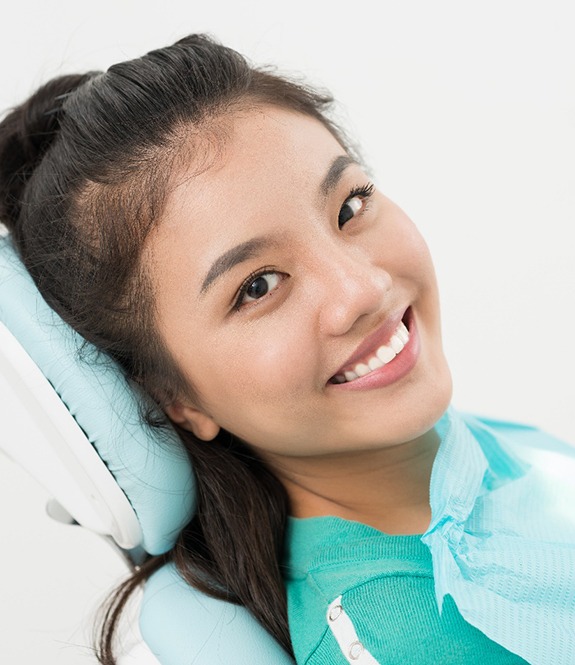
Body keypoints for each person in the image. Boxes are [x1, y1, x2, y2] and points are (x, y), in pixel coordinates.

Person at [0, 33, 573, 665]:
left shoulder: (481, 452)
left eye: (350, 206)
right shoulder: (391, 638)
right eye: (258, 286)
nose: (365, 288)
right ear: (177, 397)